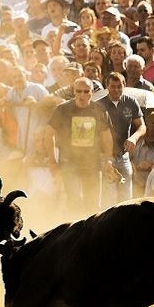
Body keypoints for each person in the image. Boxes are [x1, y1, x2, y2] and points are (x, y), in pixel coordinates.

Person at [45, 77, 114, 215]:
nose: (82, 95)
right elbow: (48, 134)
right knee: (74, 200)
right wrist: (52, 160)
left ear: (92, 92)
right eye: (79, 91)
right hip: (68, 161)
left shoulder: (99, 110)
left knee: (93, 203)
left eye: (86, 91)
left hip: (92, 162)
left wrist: (108, 160)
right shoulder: (62, 109)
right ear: (73, 92)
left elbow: (107, 138)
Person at [97, 72, 146, 204]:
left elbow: (142, 126)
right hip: (105, 156)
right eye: (113, 86)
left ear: (124, 85)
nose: (116, 90)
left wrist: (134, 138)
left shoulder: (130, 102)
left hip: (123, 155)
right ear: (107, 86)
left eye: (119, 86)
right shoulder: (99, 105)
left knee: (126, 198)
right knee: (109, 197)